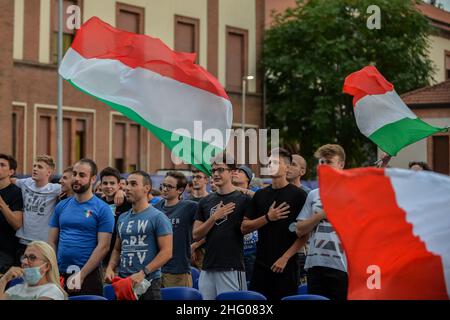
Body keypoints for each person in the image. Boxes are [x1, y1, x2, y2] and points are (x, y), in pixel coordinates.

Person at [241, 148, 308, 300]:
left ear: (288, 167)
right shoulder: (260, 194)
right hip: (261, 263)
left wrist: (285, 258)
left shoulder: (299, 195)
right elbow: (244, 227)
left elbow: (304, 234)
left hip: (287, 265)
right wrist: (268, 217)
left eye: (276, 162)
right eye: (269, 162)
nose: (271, 165)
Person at [48, 159, 114, 296]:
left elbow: (103, 247)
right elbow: (52, 241)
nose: (76, 178)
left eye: (82, 175)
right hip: (60, 273)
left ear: (93, 179)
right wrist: (53, 271)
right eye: (74, 174)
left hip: (88, 275)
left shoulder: (103, 209)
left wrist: (81, 275)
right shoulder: (61, 206)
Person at [105, 171, 173, 300]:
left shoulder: (158, 217)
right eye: (127, 184)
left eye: (133, 184)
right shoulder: (122, 218)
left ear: (146, 188)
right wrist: (110, 268)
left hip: (148, 282)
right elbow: (117, 249)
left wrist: (143, 273)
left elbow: (167, 252)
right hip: (123, 282)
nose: (127, 188)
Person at [193, 153, 250, 300]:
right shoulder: (205, 201)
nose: (216, 174)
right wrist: (214, 217)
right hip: (207, 267)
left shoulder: (243, 199)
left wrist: (248, 191)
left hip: (231, 266)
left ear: (233, 172)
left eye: (220, 170)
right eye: (213, 171)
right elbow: (196, 235)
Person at [296, 144, 348, 300]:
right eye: (322, 162)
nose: (324, 166)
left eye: (329, 162)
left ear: (341, 164)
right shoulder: (313, 195)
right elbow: (299, 230)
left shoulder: (352, 192)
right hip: (315, 264)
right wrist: (321, 215)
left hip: (342, 266)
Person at [154, 171, 198, 287]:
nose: (165, 189)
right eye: (163, 185)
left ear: (180, 190)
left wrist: (195, 245)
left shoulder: (190, 207)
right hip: (156, 270)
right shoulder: (155, 207)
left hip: (179, 271)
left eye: (169, 186)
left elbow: (208, 225)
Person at [14, 155, 61, 258]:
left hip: (43, 242)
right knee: (22, 272)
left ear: (48, 173)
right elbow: (9, 181)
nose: (35, 169)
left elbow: (70, 189)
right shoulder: (25, 182)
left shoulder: (55, 189)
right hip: (23, 239)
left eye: (40, 167)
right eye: (34, 166)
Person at [0, 241, 66, 300]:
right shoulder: (15, 289)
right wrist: (4, 280)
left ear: (47, 266)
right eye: (24, 257)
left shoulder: (53, 291)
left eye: (32, 257)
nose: (24, 261)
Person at [99, 167, 132, 266]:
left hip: (122, 260)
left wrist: (122, 192)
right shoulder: (98, 203)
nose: (108, 186)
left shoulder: (127, 202)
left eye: (112, 183)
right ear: (100, 185)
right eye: (105, 183)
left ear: (119, 185)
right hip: (101, 259)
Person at [231, 165, 258, 283]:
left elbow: (263, 199)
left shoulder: (255, 193)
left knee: (251, 286)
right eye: (235, 171)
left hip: (251, 251)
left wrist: (242, 190)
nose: (236, 173)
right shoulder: (228, 195)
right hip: (233, 251)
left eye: (240, 171)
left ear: (248, 178)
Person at [0, 154, 23, 274]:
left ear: (11, 171)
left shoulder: (16, 193)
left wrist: (2, 204)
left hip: (5, 252)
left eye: (2, 165)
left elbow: (17, 224)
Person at [189, 169, 210, 270]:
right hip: (188, 249)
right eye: (193, 177)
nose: (195, 180)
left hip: (205, 249)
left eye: (198, 177)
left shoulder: (211, 199)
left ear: (206, 180)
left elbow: (213, 227)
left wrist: (195, 246)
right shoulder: (187, 201)